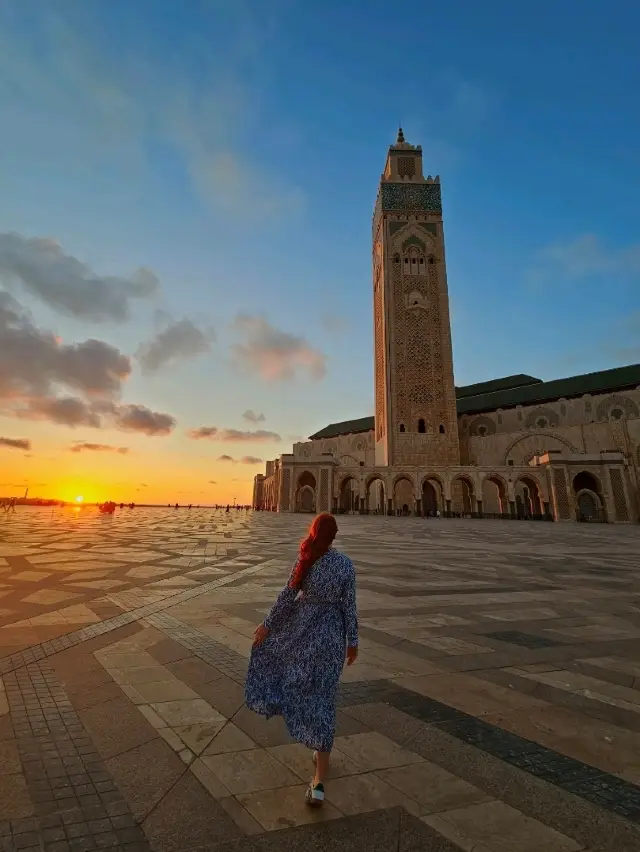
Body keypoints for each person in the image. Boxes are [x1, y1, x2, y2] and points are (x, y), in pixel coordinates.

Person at [245, 512, 358, 808]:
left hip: (303, 635)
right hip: (332, 638)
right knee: (324, 698)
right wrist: (353, 642)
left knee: (300, 687)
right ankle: (319, 781)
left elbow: (287, 596)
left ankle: (315, 744)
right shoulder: (345, 565)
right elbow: (350, 606)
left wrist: (267, 625)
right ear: (334, 537)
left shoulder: (306, 559)